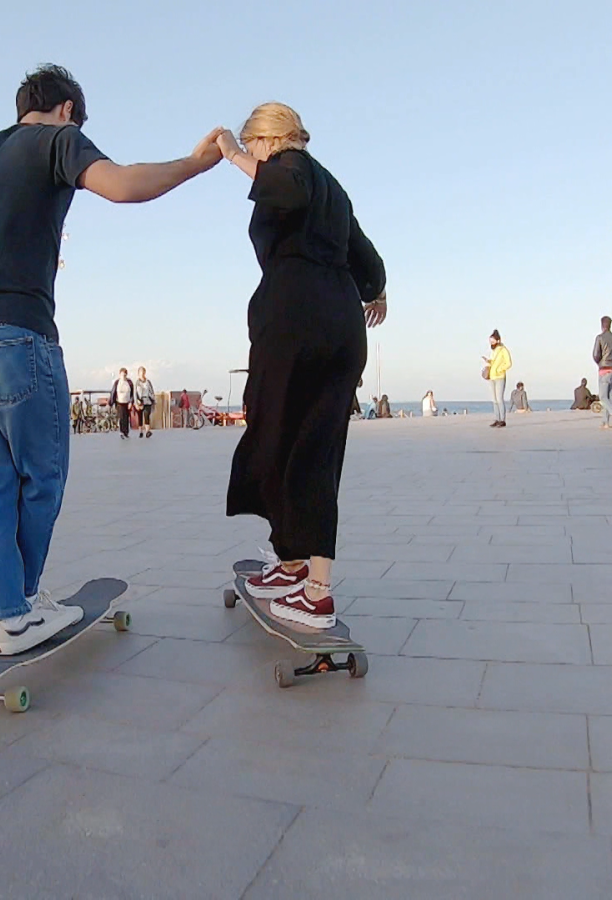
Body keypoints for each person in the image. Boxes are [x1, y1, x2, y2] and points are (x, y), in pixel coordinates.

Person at [0, 65, 224, 655]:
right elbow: (125, 184)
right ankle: (23, 605)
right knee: (42, 477)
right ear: (65, 110)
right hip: (14, 336)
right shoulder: (57, 140)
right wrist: (195, 164)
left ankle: (9, 611)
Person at [216, 103, 387, 631]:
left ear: (269, 138)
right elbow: (369, 260)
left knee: (281, 439)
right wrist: (376, 291)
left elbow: (282, 187)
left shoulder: (292, 167)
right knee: (308, 443)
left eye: (257, 144)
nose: (257, 157)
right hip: (339, 325)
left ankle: (316, 591)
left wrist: (233, 155)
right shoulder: (332, 187)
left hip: (295, 321)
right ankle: (292, 565)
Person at [592, 316, 612, 428]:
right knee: (610, 398)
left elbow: (596, 355)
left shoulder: (600, 338)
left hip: (604, 370)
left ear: (602, 325)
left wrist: (600, 363)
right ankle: (605, 422)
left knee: (602, 397)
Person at [483, 329, 511, 428]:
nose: (491, 343)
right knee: (494, 399)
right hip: (492, 376)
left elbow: (508, 363)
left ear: (498, 340)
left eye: (492, 341)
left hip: (499, 376)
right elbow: (494, 362)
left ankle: (502, 420)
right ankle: (497, 419)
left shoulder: (503, 350)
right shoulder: (493, 351)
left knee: (499, 399)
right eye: (490, 341)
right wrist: (489, 361)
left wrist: (499, 369)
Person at [110, 367, 135, 440]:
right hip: (119, 402)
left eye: (124, 375)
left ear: (126, 375)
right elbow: (113, 392)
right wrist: (111, 403)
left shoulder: (129, 382)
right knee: (121, 416)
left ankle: (126, 432)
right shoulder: (117, 382)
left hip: (127, 402)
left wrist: (131, 402)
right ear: (119, 375)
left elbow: (132, 393)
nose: (123, 376)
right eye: (122, 375)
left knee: (126, 417)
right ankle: (121, 431)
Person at [133, 367, 156, 438]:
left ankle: (147, 431)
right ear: (138, 374)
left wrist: (153, 400)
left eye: (143, 372)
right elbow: (135, 393)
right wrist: (136, 402)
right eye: (140, 373)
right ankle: (140, 431)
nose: (142, 374)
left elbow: (151, 391)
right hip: (140, 400)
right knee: (140, 416)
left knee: (146, 415)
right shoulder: (137, 382)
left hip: (147, 400)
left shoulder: (148, 382)